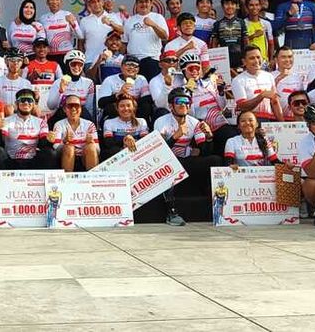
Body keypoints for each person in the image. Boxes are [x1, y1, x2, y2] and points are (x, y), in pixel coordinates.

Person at [154, 87, 221, 226]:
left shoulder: (194, 122)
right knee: (168, 165)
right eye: (179, 101)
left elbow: (204, 152)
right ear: (171, 105)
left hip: (185, 161)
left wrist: (208, 137)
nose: (183, 105)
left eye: (187, 102)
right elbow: (157, 151)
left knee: (215, 160)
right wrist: (175, 137)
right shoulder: (161, 121)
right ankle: (171, 212)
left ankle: (218, 207)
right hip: (167, 161)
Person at [178, 51, 235, 151]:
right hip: (202, 128)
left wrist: (221, 92)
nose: (195, 71)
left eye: (197, 68)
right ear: (184, 71)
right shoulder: (182, 90)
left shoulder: (209, 83)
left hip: (220, 124)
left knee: (231, 137)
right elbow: (189, 115)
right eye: (191, 68)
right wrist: (189, 91)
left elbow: (221, 107)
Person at [0, 88, 54, 169]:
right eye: (23, 100)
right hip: (11, 160)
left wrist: (49, 141)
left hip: (32, 161)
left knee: (49, 152)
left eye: (29, 100)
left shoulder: (41, 122)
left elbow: (43, 145)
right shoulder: (6, 121)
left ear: (34, 104)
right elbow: (0, 143)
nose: (26, 103)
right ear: (16, 103)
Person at [122, 0, 168, 80]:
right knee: (133, 90)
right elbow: (124, 43)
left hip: (152, 60)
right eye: (141, 1)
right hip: (133, 62)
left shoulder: (158, 17)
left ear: (151, 4)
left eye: (146, 1)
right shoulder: (129, 20)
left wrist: (153, 25)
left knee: (151, 90)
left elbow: (165, 37)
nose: (144, 4)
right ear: (136, 4)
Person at [231, 45, 283, 122]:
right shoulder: (238, 80)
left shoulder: (269, 76)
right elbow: (242, 106)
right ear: (244, 61)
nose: (256, 61)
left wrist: (282, 123)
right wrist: (261, 96)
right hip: (250, 121)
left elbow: (275, 102)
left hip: (269, 120)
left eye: (258, 57)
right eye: (252, 58)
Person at [51, 95, 99, 172]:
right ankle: (67, 181)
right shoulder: (59, 124)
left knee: (91, 147)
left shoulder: (89, 124)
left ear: (80, 109)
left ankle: (93, 181)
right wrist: (64, 142)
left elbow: (97, 149)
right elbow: (56, 148)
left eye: (76, 106)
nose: (73, 109)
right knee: (69, 147)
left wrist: (91, 142)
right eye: (70, 106)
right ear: (64, 109)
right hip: (65, 156)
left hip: (85, 157)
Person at [96, 54, 152, 121]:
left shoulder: (141, 79)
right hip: (117, 111)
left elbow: (147, 98)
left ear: (138, 69)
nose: (131, 68)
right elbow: (101, 102)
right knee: (111, 107)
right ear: (121, 67)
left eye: (135, 66)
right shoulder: (110, 79)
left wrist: (131, 100)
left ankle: (142, 127)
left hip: (135, 110)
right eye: (128, 64)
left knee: (146, 106)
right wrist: (119, 94)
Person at [46, 50, 95, 120]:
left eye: (80, 64)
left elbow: (89, 108)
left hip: (81, 115)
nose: (77, 67)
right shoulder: (58, 82)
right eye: (73, 64)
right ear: (67, 64)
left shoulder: (89, 83)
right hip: (62, 115)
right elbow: (51, 106)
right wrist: (60, 91)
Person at [39, 0, 82, 65]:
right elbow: (40, 39)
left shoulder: (68, 14)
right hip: (50, 56)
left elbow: (80, 36)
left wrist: (73, 23)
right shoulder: (42, 18)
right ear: (47, 2)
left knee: (67, 77)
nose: (54, 2)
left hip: (68, 54)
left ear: (61, 2)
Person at [101, 93, 149, 159]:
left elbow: (146, 141)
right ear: (117, 108)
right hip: (119, 155)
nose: (126, 108)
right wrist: (126, 140)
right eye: (122, 106)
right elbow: (109, 143)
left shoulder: (141, 121)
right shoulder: (109, 122)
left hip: (138, 154)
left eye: (129, 105)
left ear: (134, 107)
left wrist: (132, 140)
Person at [211, 0, 248, 74]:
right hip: (223, 59)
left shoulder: (241, 22)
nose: (230, 6)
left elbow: (246, 41)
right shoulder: (217, 24)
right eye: (227, 4)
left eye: (232, 4)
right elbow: (214, 44)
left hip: (239, 59)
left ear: (237, 6)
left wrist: (246, 57)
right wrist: (215, 60)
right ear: (222, 6)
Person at [78, 0, 113, 67]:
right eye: (93, 2)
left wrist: (111, 23)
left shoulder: (113, 17)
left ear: (102, 2)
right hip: (89, 61)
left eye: (98, 1)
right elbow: (80, 43)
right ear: (89, 4)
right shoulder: (84, 21)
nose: (96, 4)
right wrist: (81, 62)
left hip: (109, 61)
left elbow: (122, 32)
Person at [0, 48, 33, 114]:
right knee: (9, 109)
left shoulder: (26, 83)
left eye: (19, 60)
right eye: (12, 60)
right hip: (2, 113)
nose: (15, 63)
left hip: (20, 113)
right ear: (6, 61)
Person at [272, 45, 304, 120]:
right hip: (275, 119)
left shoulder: (298, 77)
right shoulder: (269, 76)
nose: (287, 60)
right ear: (276, 60)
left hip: (294, 119)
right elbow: (269, 97)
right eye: (283, 57)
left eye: (290, 57)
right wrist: (279, 78)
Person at [149, 50, 184, 116]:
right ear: (160, 64)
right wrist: (167, 85)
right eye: (168, 60)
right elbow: (160, 105)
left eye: (174, 60)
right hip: (166, 112)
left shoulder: (182, 77)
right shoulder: (154, 81)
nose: (171, 63)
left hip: (183, 108)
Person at [244, 0, 274, 66]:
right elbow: (242, 42)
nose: (254, 8)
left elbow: (271, 43)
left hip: (264, 61)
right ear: (247, 7)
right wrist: (254, 35)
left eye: (257, 5)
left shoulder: (266, 24)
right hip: (249, 61)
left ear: (260, 7)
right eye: (251, 5)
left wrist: (271, 59)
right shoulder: (243, 23)